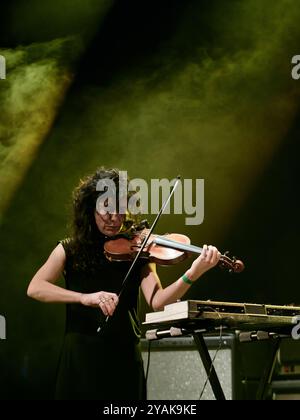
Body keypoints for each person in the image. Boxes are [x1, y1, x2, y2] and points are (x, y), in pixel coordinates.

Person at [27, 168, 221, 400]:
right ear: (91, 208)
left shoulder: (138, 250)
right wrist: (84, 297)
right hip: (82, 355)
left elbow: (158, 301)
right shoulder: (70, 249)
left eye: (120, 210)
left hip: (124, 354)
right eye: (106, 208)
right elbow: (36, 287)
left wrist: (192, 272)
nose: (113, 218)